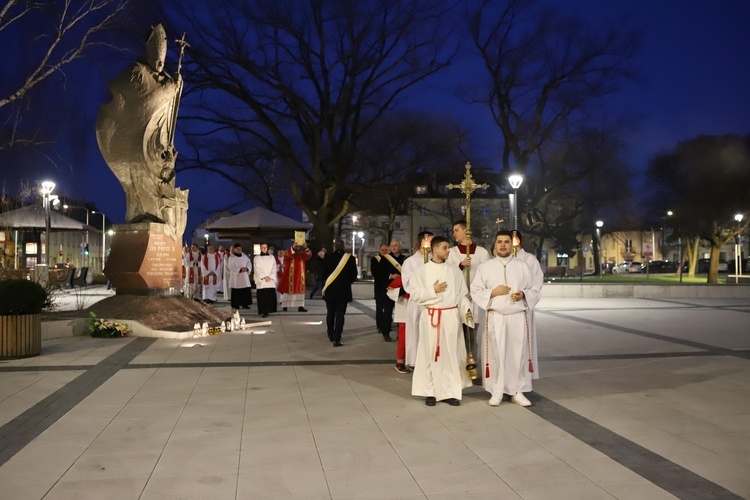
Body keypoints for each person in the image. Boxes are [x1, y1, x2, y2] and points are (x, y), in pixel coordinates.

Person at [471, 230, 542, 407]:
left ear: (512, 245)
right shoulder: (485, 267)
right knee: (496, 354)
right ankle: (497, 390)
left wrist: (523, 294)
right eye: (500, 242)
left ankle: (517, 390)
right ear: (494, 245)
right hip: (496, 316)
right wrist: (492, 292)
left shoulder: (522, 266)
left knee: (518, 354)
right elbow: (475, 290)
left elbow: (535, 289)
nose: (503, 245)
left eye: (506, 242)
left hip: (517, 316)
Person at [409, 236, 473, 407]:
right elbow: (414, 294)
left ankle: (450, 392)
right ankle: (430, 391)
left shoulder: (454, 271)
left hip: (451, 316)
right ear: (435, 249)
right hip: (431, 316)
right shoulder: (422, 270)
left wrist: (466, 310)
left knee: (450, 354)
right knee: (430, 354)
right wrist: (432, 290)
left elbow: (461, 294)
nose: (448, 251)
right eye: (445, 247)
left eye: (448, 248)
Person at [447, 219, 491, 381]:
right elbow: (447, 274)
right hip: (458, 300)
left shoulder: (482, 253)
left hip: (474, 301)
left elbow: (488, 277)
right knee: (458, 336)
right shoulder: (451, 253)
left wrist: (477, 291)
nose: (454, 234)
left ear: (466, 231)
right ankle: (457, 370)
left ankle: (473, 368)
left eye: (456, 230)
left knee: (471, 336)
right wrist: (460, 265)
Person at [402, 231, 433, 368]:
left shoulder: (436, 259)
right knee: (415, 331)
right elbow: (407, 283)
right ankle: (415, 361)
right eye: (430, 241)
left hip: (433, 300)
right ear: (423, 242)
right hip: (417, 301)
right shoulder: (410, 262)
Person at [322, 240, 358, 346]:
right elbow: (354, 275)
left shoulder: (328, 257)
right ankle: (337, 339)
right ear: (344, 247)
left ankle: (330, 334)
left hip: (330, 290)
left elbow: (323, 274)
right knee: (340, 315)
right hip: (344, 291)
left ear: (334, 247)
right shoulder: (350, 258)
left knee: (330, 313)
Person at [371, 243, 396, 342]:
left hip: (389, 288)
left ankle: (387, 326)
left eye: (386, 250)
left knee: (389, 309)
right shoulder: (375, 259)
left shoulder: (390, 260)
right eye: (383, 250)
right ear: (379, 250)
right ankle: (380, 326)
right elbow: (375, 273)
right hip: (379, 288)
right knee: (379, 308)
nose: (384, 251)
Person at [386, 275, 411, 373]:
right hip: (404, 309)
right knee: (404, 337)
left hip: (419, 310)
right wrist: (404, 289)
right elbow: (390, 291)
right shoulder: (403, 278)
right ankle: (400, 361)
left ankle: (413, 361)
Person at [278, 243, 313, 312]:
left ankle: (300, 306)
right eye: (296, 246)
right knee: (288, 289)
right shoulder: (289, 252)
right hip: (290, 276)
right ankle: (285, 305)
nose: (298, 247)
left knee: (300, 290)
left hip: (300, 276)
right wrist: (292, 248)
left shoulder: (302, 253)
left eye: (299, 246)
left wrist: (305, 248)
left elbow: (308, 256)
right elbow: (287, 256)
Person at [253, 243, 278, 318]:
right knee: (262, 296)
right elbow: (257, 268)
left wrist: (270, 277)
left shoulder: (272, 257)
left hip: (270, 280)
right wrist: (264, 277)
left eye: (265, 247)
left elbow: (274, 267)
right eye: (263, 247)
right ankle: (264, 311)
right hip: (262, 281)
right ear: (260, 248)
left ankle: (270, 310)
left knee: (269, 296)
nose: (264, 249)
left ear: (267, 248)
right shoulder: (257, 258)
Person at [227, 243, 253, 309]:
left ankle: (245, 304)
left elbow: (249, 263)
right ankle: (236, 304)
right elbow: (231, 267)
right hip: (237, 277)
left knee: (245, 290)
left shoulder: (245, 256)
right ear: (234, 249)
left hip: (244, 276)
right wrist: (240, 269)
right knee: (237, 291)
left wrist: (247, 268)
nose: (239, 250)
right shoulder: (231, 258)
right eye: (237, 249)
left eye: (240, 249)